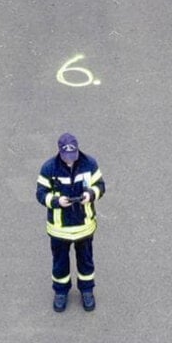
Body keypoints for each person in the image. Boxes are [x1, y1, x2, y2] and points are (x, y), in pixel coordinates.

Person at [35, 133, 106, 312]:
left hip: (84, 227)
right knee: (60, 262)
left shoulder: (90, 164)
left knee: (86, 261)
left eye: (72, 157)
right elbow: (40, 193)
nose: (70, 161)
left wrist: (90, 195)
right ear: (59, 152)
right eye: (66, 158)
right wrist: (56, 201)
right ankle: (60, 292)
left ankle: (87, 290)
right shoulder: (49, 168)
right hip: (59, 229)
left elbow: (101, 186)